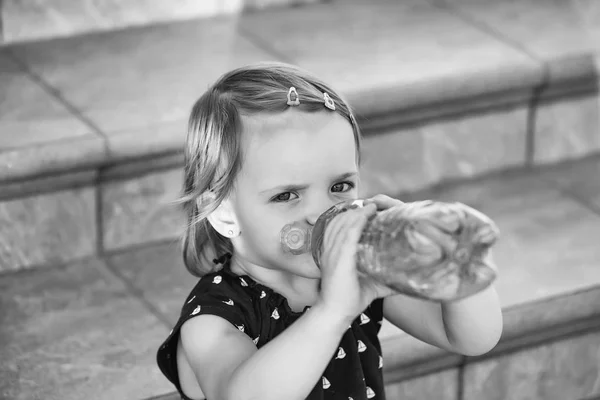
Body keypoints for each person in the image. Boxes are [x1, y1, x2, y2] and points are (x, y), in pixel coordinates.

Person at [156, 62, 503, 400]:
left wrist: (458, 266)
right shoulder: (215, 316)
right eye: (287, 195)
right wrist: (333, 313)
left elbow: (472, 339)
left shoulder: (358, 272)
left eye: (339, 186)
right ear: (222, 213)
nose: (322, 213)